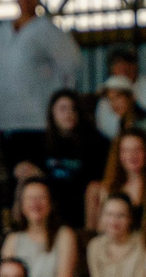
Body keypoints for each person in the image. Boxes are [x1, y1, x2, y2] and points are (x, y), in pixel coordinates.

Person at [0, 0, 79, 182]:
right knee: (15, 179)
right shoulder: (2, 32)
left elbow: (70, 65)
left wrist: (60, 107)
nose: (26, 0)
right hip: (6, 120)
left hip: (38, 120)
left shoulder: (47, 30)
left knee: (37, 178)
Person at [39, 90, 108, 234]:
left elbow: (98, 181)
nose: (69, 113)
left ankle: (88, 237)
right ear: (52, 113)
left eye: (73, 109)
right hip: (53, 203)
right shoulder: (42, 142)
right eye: (63, 109)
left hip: (83, 204)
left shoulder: (97, 142)